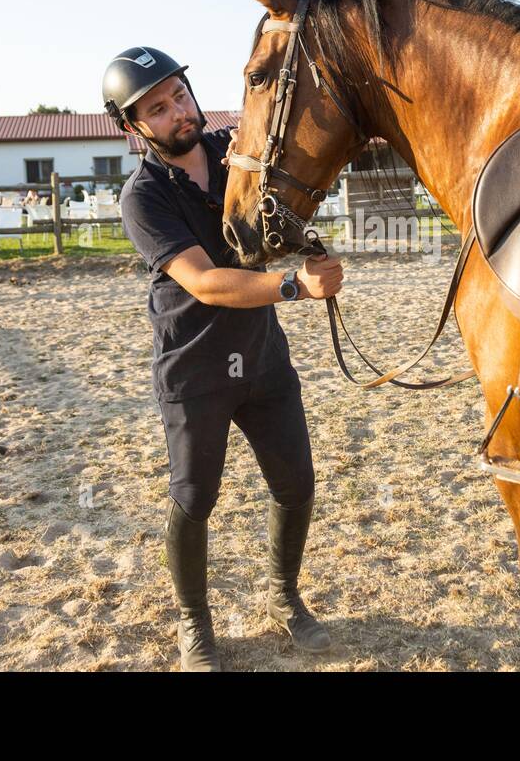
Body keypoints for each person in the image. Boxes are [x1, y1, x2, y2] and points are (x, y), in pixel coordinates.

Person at [105, 46, 343, 672]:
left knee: (296, 484)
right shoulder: (144, 197)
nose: (176, 111)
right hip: (195, 369)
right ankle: (194, 624)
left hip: (262, 358)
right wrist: (295, 286)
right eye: (156, 109)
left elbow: (278, 206)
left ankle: (285, 598)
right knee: (194, 496)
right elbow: (207, 283)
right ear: (134, 127)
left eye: (178, 94)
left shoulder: (234, 151)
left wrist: (305, 243)